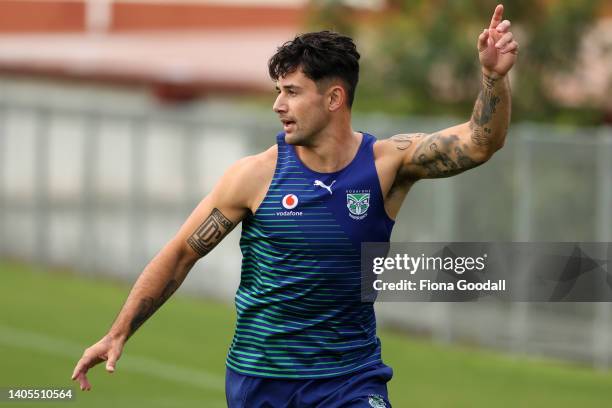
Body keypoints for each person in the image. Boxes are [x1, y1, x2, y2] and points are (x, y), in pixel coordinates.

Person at [72, 4, 518, 407]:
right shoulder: (254, 176)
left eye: (291, 91)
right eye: (278, 91)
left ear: (333, 98)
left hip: (351, 379)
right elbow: (180, 255)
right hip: (261, 380)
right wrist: (118, 331)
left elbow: (480, 143)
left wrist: (494, 77)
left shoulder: (388, 163)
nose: (277, 104)